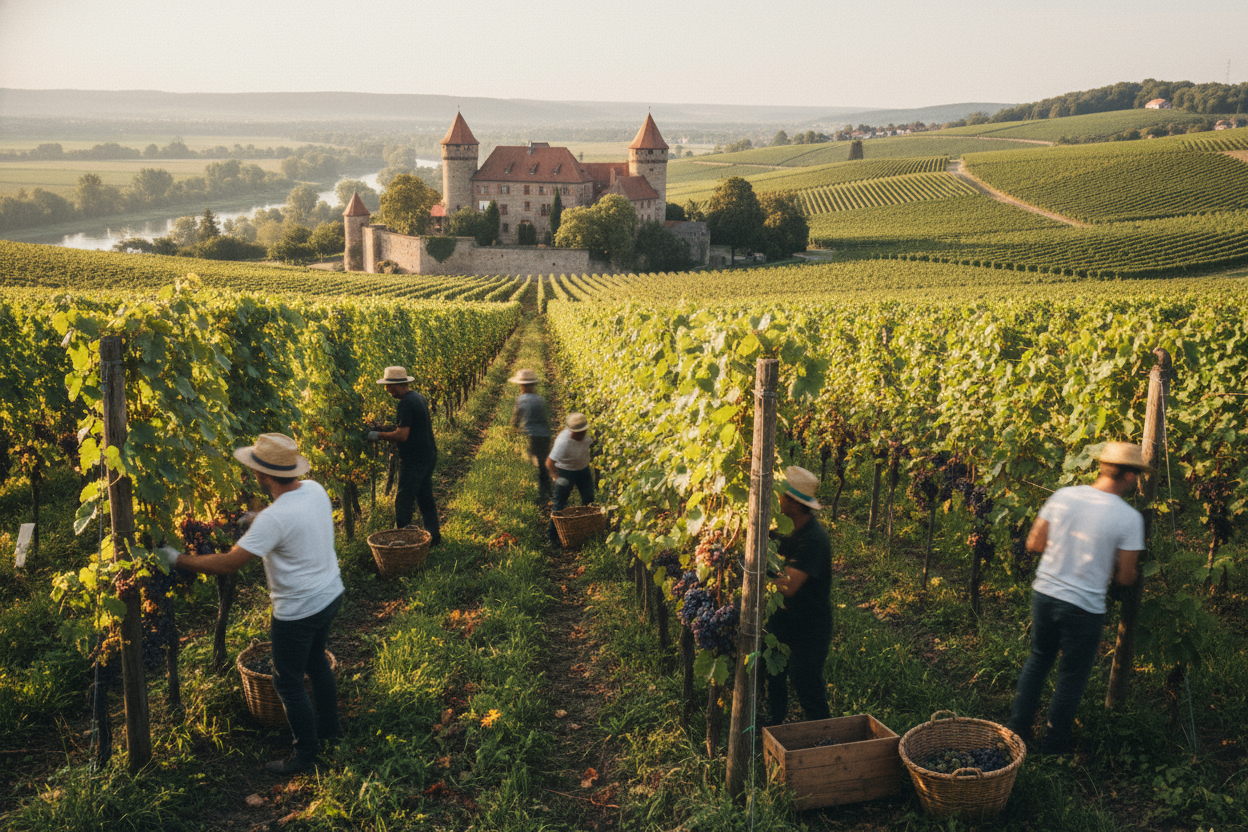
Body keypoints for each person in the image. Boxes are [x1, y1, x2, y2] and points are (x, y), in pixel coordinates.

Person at [162, 433, 344, 775]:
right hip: (330, 593)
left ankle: (306, 755)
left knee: (287, 681)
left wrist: (177, 559)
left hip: (298, 611)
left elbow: (229, 563)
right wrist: (257, 518)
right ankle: (331, 731)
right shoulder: (315, 490)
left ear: (262, 475)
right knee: (316, 662)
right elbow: (292, 517)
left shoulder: (275, 519)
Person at [1006, 441, 1146, 754]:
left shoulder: (1064, 496)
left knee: (1038, 660)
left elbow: (1034, 543)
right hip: (1084, 608)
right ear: (1127, 474)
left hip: (1045, 594)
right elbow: (1125, 577)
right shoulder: (1129, 518)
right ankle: (1053, 747)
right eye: (1137, 474)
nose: (1138, 481)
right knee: (1071, 677)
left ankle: (1016, 732)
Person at [766, 466, 834, 726]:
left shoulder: (814, 540)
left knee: (805, 680)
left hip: (810, 628)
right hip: (783, 621)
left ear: (794, 502)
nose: (777, 499)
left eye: (781, 495)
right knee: (774, 676)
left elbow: (787, 586)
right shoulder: (783, 529)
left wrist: (749, 573)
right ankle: (775, 730)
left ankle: (826, 740)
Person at [368, 365, 441, 546]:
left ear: (398, 384)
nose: (387, 390)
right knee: (425, 498)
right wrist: (385, 429)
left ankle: (403, 545)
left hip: (414, 460)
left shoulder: (406, 403)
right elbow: (410, 428)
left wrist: (377, 435)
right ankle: (435, 538)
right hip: (428, 454)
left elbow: (402, 435)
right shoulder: (418, 398)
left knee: (404, 501)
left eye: (388, 386)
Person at [545, 413, 594, 546]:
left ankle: (589, 532)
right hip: (566, 472)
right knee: (559, 506)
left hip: (583, 471)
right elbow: (549, 463)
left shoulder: (585, 437)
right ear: (570, 430)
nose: (577, 435)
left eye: (581, 432)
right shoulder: (564, 442)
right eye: (575, 432)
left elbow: (590, 445)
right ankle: (552, 538)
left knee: (589, 501)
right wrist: (557, 477)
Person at [509, 368, 552, 503]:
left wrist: (513, 430)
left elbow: (516, 417)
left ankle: (543, 495)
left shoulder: (521, 399)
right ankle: (548, 489)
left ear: (522, 386)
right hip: (545, 435)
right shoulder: (539, 399)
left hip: (532, 436)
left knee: (538, 464)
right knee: (543, 462)